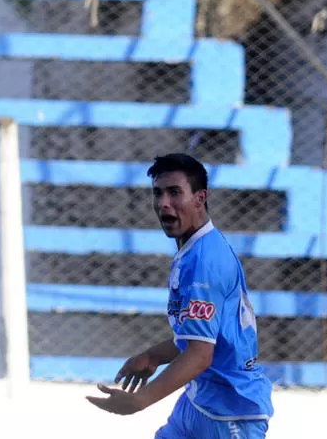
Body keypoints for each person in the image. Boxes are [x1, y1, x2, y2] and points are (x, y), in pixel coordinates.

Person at [86, 153, 274, 438]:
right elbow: (203, 334)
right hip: (199, 401)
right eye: (158, 193)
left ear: (200, 198)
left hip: (231, 412)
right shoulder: (194, 250)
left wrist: (138, 401)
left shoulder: (204, 262)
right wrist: (153, 355)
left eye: (175, 192)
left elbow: (200, 355)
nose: (163, 203)